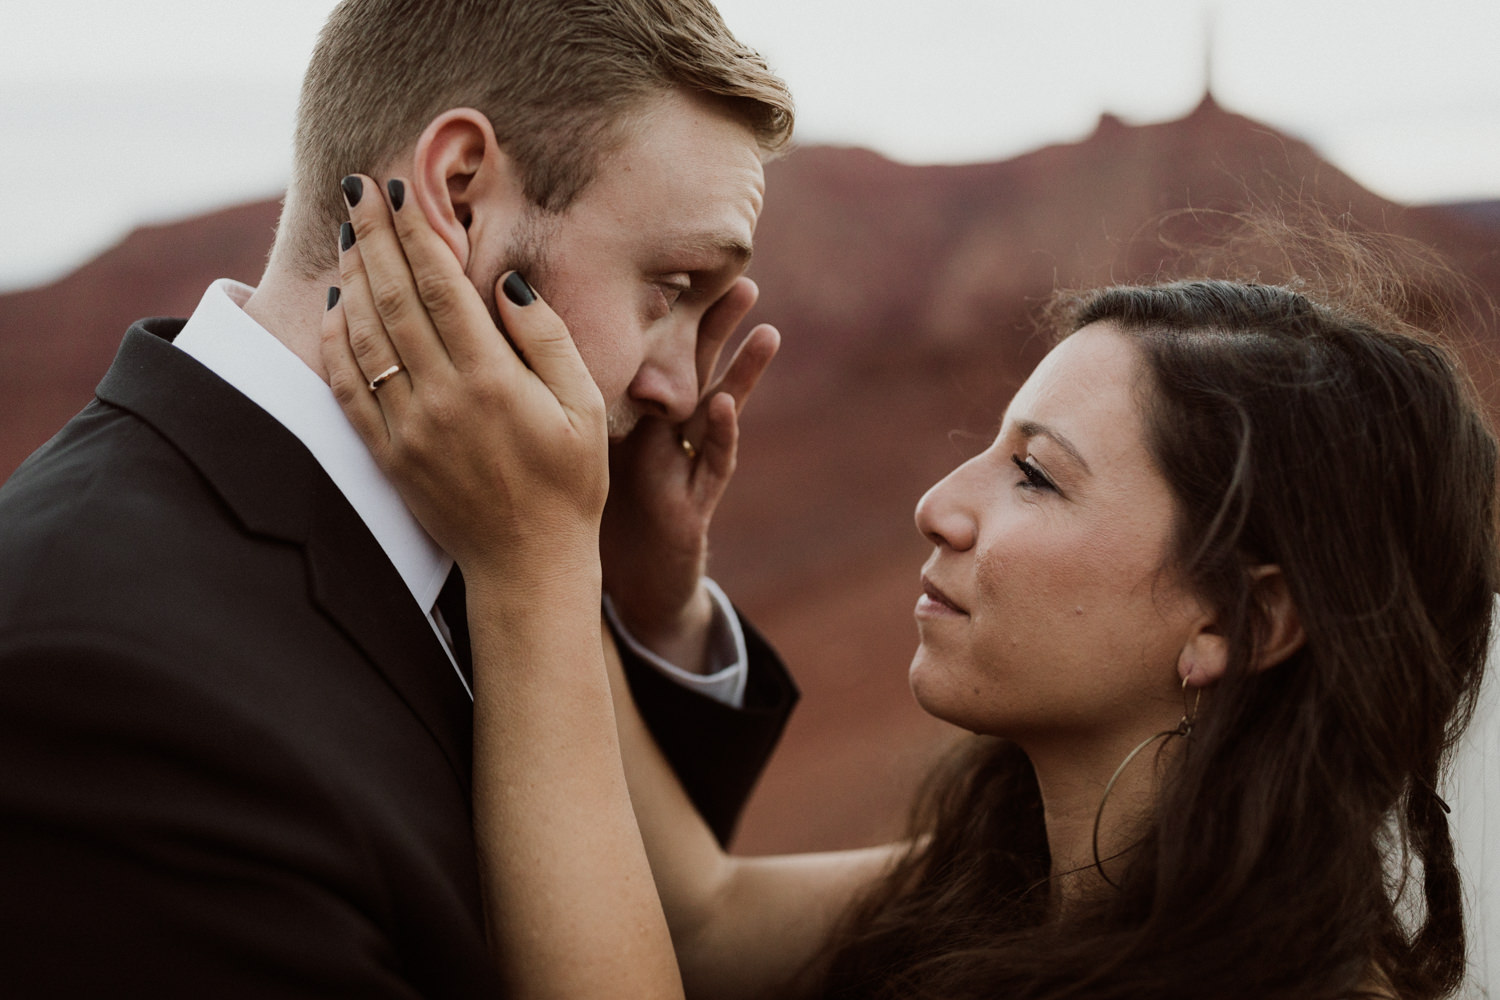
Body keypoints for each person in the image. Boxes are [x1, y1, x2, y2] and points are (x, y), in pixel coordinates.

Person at [326, 193, 1498, 1000]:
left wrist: (524, 562)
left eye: (1036, 474)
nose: (941, 501)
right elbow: (699, 920)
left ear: (1242, 622)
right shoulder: (1030, 889)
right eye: (988, 448)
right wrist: (565, 538)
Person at [0, 1, 800, 995]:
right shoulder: (103, 683)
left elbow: (662, 919)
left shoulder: (504, 523)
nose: (682, 384)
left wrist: (653, 615)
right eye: (671, 284)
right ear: (460, 194)